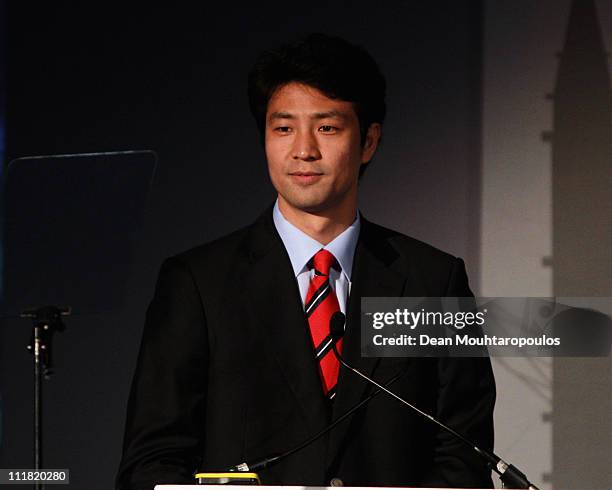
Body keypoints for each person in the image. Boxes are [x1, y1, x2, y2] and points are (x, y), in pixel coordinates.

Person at [116, 33, 495, 490]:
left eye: (327, 127)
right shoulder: (197, 282)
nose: (303, 150)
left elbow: (463, 456)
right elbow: (152, 461)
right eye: (283, 128)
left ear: (369, 141)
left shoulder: (433, 281)